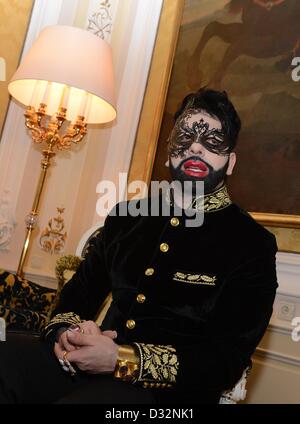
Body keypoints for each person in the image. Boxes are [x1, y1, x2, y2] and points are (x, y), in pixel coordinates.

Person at [0, 88, 277, 404]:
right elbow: (75, 299)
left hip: (168, 395)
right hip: (85, 368)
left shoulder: (251, 244)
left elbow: (224, 361)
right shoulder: (126, 219)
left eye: (213, 141)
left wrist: (122, 359)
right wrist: (69, 335)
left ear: (230, 162)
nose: (196, 148)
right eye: (185, 136)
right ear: (168, 150)